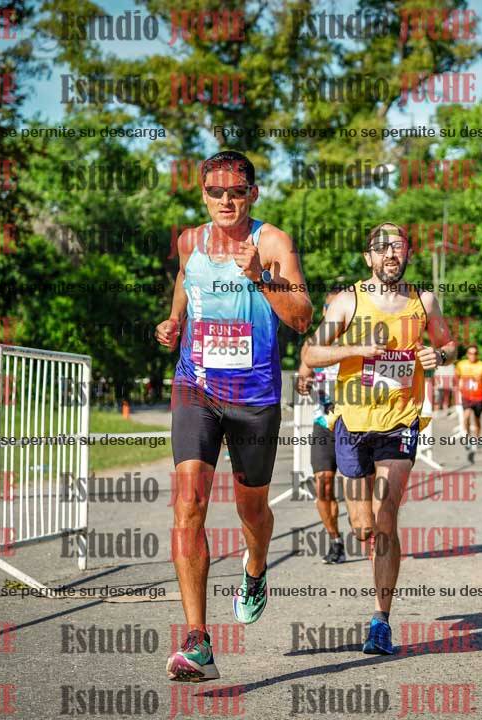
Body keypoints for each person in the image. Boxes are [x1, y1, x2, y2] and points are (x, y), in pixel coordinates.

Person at [156, 150, 312, 682]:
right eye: (215, 192)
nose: (226, 200)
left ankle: (256, 567)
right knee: (189, 503)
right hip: (195, 387)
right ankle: (197, 641)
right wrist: (174, 320)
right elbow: (185, 279)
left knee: (253, 511)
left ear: (253, 193)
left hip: (254, 398)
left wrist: (261, 278)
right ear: (203, 194)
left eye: (236, 192)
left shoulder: (273, 243)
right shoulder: (189, 241)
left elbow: (302, 317)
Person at [301, 222, 456, 655]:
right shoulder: (348, 301)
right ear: (369, 257)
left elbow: (449, 345)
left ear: (407, 254)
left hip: (400, 422)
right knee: (363, 527)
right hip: (352, 423)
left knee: (387, 516)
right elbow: (311, 353)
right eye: (382, 247)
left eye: (398, 247)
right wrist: (354, 350)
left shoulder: (424, 301)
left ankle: (380, 621)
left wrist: (438, 355)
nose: (391, 253)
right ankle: (364, 540)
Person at [296, 291, 345, 564]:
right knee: (324, 485)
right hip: (323, 424)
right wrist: (303, 384)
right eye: (330, 306)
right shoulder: (312, 345)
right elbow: (302, 376)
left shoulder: (358, 341)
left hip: (355, 425)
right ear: (325, 311)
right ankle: (335, 540)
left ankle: (372, 533)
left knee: (362, 488)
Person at [454, 345, 482, 463]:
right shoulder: (461, 364)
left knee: (477, 419)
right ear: (467, 354)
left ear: (477, 354)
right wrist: (459, 385)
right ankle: (467, 438)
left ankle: (476, 438)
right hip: (466, 396)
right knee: (466, 416)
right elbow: (456, 377)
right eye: (470, 353)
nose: (473, 355)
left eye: (475, 353)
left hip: (479, 396)